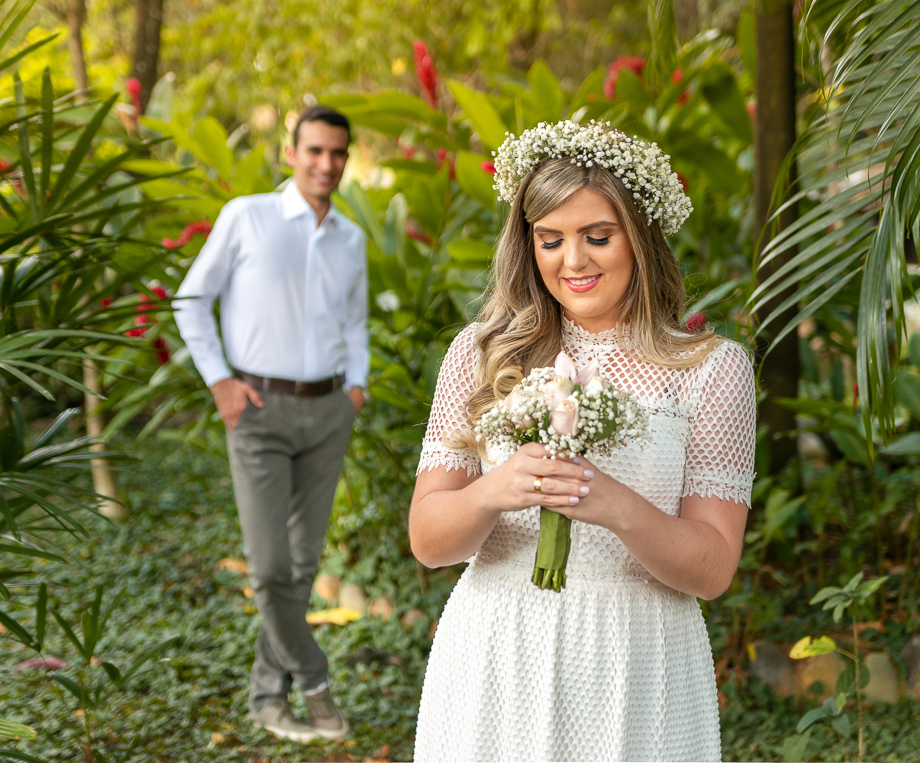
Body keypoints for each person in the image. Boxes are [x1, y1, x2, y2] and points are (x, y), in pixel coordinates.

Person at [410, 121, 755, 761]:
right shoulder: (481, 355)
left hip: (638, 659)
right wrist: (493, 492)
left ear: (641, 238)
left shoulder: (712, 369)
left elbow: (712, 570)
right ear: (528, 245)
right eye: (550, 239)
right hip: (498, 653)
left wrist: (615, 505)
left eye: (598, 236)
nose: (574, 261)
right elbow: (429, 542)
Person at [172, 105, 367, 743]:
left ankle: (266, 698)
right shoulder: (247, 217)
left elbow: (356, 323)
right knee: (268, 567)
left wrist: (356, 387)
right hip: (257, 410)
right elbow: (191, 299)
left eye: (337, 153)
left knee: (304, 563)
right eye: (314, 151)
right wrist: (221, 381)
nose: (326, 165)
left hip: (328, 410)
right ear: (291, 153)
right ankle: (313, 678)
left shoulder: (350, 239)